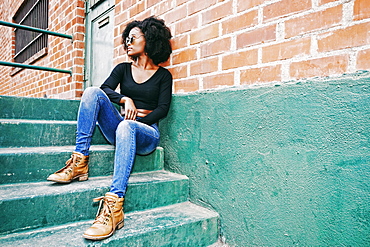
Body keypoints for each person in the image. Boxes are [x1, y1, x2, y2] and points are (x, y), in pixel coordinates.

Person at [47, 16, 173, 240]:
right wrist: (125, 99)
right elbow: (106, 89)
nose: (128, 42)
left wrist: (134, 123)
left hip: (146, 134)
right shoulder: (123, 69)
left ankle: (114, 206)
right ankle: (79, 162)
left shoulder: (163, 75)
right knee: (92, 92)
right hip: (120, 128)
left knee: (126, 126)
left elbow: (163, 109)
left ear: (150, 40)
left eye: (133, 38)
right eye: (127, 39)